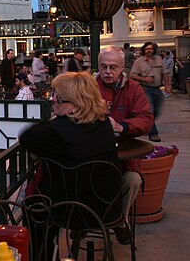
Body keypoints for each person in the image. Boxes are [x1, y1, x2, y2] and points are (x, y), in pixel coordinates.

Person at [19, 72, 121, 239]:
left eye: (59, 98)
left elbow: (27, 137)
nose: (53, 100)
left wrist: (57, 119)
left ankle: (43, 260)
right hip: (108, 206)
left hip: (73, 211)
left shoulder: (59, 132)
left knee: (35, 206)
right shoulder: (103, 122)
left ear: (76, 105)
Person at [96, 46, 154, 243]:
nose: (108, 72)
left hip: (124, 154)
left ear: (122, 67)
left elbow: (146, 119)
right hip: (94, 154)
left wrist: (121, 126)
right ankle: (90, 218)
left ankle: (119, 221)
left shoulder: (133, 88)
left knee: (132, 180)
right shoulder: (89, 86)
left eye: (113, 67)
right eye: (103, 66)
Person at [130, 42, 170, 142]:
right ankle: (153, 134)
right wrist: (144, 79)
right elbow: (132, 75)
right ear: (144, 50)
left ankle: (148, 124)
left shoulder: (159, 59)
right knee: (150, 111)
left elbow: (164, 73)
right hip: (145, 89)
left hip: (158, 88)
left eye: (151, 49)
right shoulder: (139, 61)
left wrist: (167, 85)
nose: (149, 50)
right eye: (147, 49)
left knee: (157, 111)